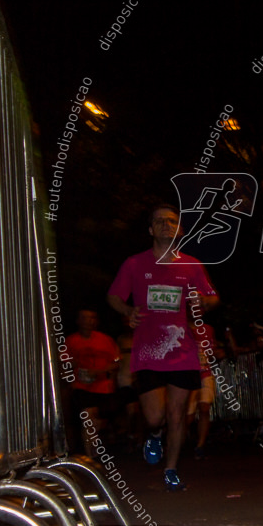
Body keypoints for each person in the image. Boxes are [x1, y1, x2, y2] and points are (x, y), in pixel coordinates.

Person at [107, 204, 219, 491]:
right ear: (150, 230)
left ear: (179, 229)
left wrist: (205, 302)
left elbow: (212, 296)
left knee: (177, 415)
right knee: (156, 416)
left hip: (182, 351)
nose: (166, 225)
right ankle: (154, 434)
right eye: (159, 221)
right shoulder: (135, 264)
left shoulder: (192, 265)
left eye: (171, 221)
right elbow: (114, 296)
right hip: (148, 352)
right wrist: (127, 310)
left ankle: (170, 469)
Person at [68, 309, 120, 456]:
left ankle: (96, 447)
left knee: (98, 421)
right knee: (88, 417)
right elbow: (63, 363)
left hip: (103, 387)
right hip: (82, 387)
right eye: (84, 318)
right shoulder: (71, 341)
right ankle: (90, 454)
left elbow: (116, 362)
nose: (88, 321)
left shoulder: (106, 340)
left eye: (91, 318)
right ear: (78, 321)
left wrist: (99, 371)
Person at [187, 323, 217, 459]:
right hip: (188, 376)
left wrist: (209, 357)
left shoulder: (209, 329)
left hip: (205, 373)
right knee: (188, 416)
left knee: (204, 407)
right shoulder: (181, 326)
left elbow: (212, 352)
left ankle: (200, 445)